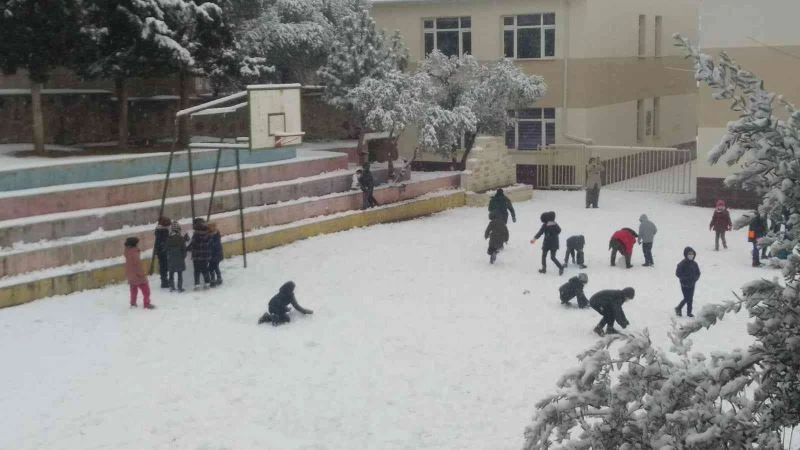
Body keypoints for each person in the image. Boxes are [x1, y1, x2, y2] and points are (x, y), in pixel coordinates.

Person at [124, 236, 155, 309]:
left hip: (130, 274)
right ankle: (147, 304)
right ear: (135, 244)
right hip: (137, 275)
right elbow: (137, 265)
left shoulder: (127, 251)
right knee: (146, 291)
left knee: (133, 290)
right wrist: (141, 274)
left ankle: (133, 303)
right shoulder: (134, 253)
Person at [531, 211, 564, 275]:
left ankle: (544, 269)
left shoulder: (545, 225)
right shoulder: (555, 224)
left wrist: (534, 239)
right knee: (552, 257)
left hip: (547, 243)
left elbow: (540, 232)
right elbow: (559, 231)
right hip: (554, 243)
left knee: (544, 256)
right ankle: (560, 267)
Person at [674, 247, 700, 318]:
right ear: (686, 254)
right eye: (689, 254)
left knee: (690, 298)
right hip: (684, 284)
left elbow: (698, 273)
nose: (691, 255)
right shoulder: (682, 264)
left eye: (692, 254)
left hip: (692, 284)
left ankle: (689, 312)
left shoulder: (695, 264)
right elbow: (678, 273)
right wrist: (684, 279)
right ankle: (678, 308)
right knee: (687, 298)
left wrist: (695, 279)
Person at [187, 218, 211, 289]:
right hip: (205, 256)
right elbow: (209, 244)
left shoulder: (196, 235)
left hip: (196, 256)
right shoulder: (207, 234)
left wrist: (187, 249)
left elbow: (192, 244)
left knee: (197, 271)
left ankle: (197, 284)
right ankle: (207, 283)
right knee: (205, 270)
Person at [165, 220, 187, 292]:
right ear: (178, 229)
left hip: (171, 258)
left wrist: (169, 256)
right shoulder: (181, 238)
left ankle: (171, 286)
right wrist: (183, 256)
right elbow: (184, 249)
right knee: (180, 274)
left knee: (171, 273)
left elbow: (166, 248)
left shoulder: (168, 238)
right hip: (179, 258)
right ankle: (180, 287)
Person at [154, 216, 171, 288]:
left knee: (162, 266)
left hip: (160, 251)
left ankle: (164, 281)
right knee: (165, 266)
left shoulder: (158, 230)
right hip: (164, 251)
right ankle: (165, 282)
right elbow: (166, 242)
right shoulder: (164, 231)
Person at [208, 222, 223, 287]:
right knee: (213, 267)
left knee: (214, 267)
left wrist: (210, 243)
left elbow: (216, 245)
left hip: (216, 255)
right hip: (212, 255)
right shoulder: (210, 235)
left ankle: (216, 279)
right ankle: (216, 279)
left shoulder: (216, 235)